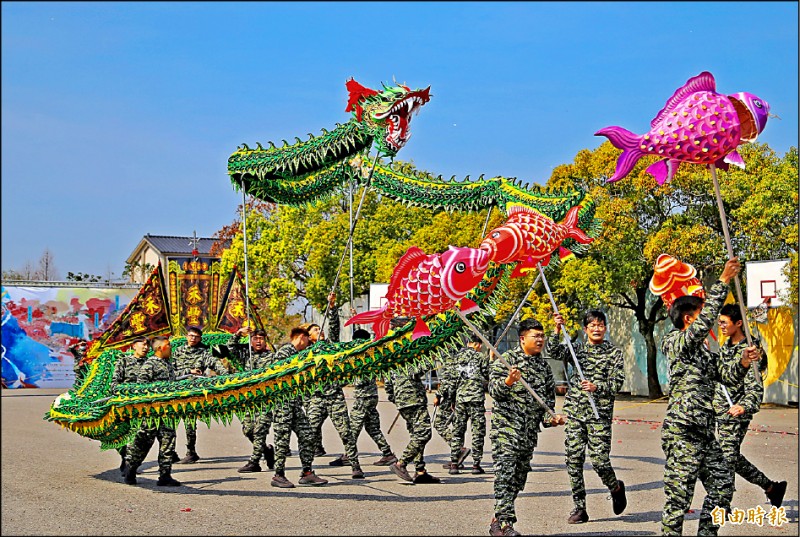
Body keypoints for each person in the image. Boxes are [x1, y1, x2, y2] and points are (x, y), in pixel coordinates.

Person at [660, 257, 762, 536]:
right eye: (702, 313)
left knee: (723, 487)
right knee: (678, 500)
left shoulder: (704, 353)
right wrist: (724, 281)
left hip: (704, 432)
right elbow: (700, 327)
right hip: (683, 431)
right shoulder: (674, 342)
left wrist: (742, 362)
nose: (711, 320)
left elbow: (725, 375)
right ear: (688, 318)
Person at [547, 310, 627, 524]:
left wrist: (597, 387)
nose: (597, 328)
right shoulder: (577, 350)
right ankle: (580, 507)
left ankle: (615, 487)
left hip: (598, 414)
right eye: (592, 325)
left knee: (600, 461)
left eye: (601, 325)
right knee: (573, 459)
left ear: (605, 328)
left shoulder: (613, 353)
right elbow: (553, 351)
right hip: (575, 413)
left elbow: (618, 382)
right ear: (586, 329)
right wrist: (556, 328)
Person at [489, 318, 566, 537]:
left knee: (517, 478)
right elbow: (494, 391)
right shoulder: (507, 361)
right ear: (523, 339)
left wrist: (552, 419)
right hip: (506, 430)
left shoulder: (543, 367)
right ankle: (506, 525)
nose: (541, 340)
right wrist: (508, 381)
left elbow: (546, 408)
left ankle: (497, 519)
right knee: (505, 474)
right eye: (536, 336)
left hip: (528, 433)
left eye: (542, 336)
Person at [714, 304, 787, 507]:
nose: (720, 325)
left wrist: (744, 406)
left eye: (724, 322)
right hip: (721, 411)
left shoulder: (752, 351)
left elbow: (755, 386)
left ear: (738, 323)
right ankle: (772, 488)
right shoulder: (725, 347)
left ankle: (722, 504)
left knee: (726, 457)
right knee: (732, 458)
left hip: (737, 413)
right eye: (719, 322)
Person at [302, 317, 365, 479]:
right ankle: (307, 469)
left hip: (334, 396)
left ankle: (355, 465)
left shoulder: (330, 347)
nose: (319, 331)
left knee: (345, 432)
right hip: (316, 397)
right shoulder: (306, 352)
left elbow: (334, 327)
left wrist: (333, 308)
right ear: (309, 337)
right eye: (315, 330)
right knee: (309, 433)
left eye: (319, 329)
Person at [270, 326, 328, 488]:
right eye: (308, 339)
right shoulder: (284, 352)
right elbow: (278, 375)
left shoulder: (299, 353)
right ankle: (278, 475)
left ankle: (307, 472)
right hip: (283, 403)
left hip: (295, 404)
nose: (309, 342)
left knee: (308, 435)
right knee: (282, 440)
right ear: (301, 337)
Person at [385, 317, 441, 484]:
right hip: (412, 399)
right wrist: (429, 354)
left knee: (416, 434)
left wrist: (396, 399)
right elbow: (417, 370)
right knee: (424, 433)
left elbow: (388, 384)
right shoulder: (407, 349)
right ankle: (401, 463)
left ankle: (420, 470)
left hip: (403, 399)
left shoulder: (391, 350)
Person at [123, 335, 181, 487]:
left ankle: (165, 476)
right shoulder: (150, 364)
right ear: (161, 348)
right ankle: (131, 469)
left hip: (167, 413)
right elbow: (141, 387)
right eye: (169, 346)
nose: (171, 349)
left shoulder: (168, 364)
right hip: (151, 414)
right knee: (142, 443)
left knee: (168, 443)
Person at [171, 325, 231, 464]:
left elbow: (216, 364)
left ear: (200, 338)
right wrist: (189, 371)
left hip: (193, 391)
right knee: (170, 422)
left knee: (190, 423)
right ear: (187, 336)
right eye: (191, 336)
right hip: (175, 390)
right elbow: (170, 371)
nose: (193, 338)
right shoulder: (177, 352)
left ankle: (191, 452)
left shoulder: (204, 353)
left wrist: (227, 377)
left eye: (196, 337)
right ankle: (170, 452)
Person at [228, 326, 276, 473]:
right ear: (251, 341)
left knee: (260, 430)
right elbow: (229, 348)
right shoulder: (246, 355)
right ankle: (266, 450)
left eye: (261, 339)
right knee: (248, 430)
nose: (259, 341)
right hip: (248, 400)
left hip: (265, 400)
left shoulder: (273, 356)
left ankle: (254, 461)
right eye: (255, 339)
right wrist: (238, 334)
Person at [348, 328, 397, 466]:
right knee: (372, 427)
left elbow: (360, 380)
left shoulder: (363, 357)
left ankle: (349, 455)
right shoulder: (370, 353)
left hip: (364, 396)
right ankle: (387, 453)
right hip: (372, 395)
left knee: (352, 428)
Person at [447, 333, 489, 475]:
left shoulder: (457, 358)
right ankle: (476, 464)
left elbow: (452, 381)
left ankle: (454, 463)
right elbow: (487, 374)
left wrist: (452, 399)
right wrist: (491, 360)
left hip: (460, 399)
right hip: (476, 399)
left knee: (457, 431)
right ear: (477, 344)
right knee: (477, 432)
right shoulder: (480, 357)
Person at [112, 335, 150, 475]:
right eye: (143, 344)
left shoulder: (151, 363)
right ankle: (125, 457)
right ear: (134, 346)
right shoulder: (124, 362)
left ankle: (131, 464)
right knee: (119, 435)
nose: (146, 347)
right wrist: (128, 391)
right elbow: (114, 384)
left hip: (143, 407)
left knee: (141, 436)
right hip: (125, 405)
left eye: (148, 345)